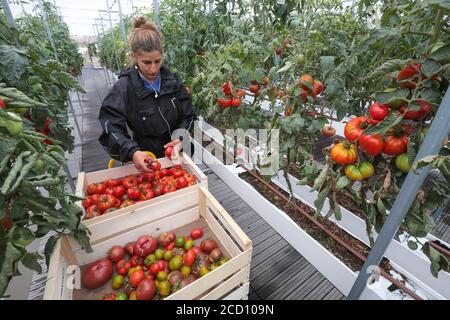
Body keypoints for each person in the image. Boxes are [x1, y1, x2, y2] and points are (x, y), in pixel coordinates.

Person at [98, 17, 197, 172]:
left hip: (179, 155)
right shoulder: (124, 88)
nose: (153, 69)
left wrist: (180, 138)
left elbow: (189, 116)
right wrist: (132, 152)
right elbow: (110, 128)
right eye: (146, 62)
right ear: (134, 57)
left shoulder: (172, 81)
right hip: (148, 159)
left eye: (157, 61)